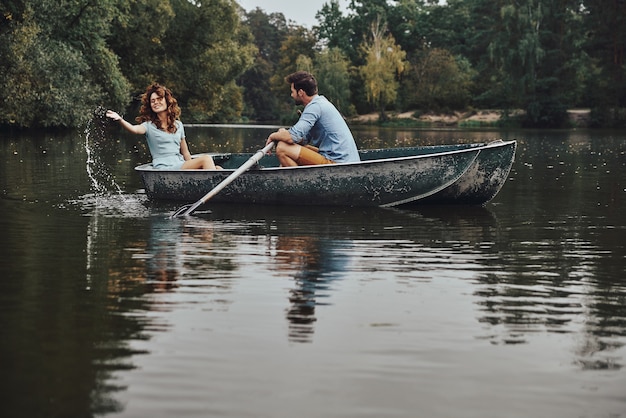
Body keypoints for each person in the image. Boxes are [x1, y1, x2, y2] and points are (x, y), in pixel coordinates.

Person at [106, 83, 220, 170]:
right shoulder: (148, 126)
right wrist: (120, 120)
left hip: (180, 165)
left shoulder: (178, 125)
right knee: (206, 159)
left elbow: (186, 153)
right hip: (165, 168)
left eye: (159, 99)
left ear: (167, 101)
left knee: (217, 168)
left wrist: (193, 167)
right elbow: (134, 129)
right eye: (152, 101)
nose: (155, 102)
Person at [266, 71, 360, 166]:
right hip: (343, 160)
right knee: (286, 143)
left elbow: (292, 137)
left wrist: (273, 136)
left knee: (282, 148)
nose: (291, 95)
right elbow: (302, 139)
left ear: (301, 92)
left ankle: (302, 181)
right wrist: (283, 134)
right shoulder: (320, 102)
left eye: (292, 92)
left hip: (339, 163)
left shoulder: (314, 107)